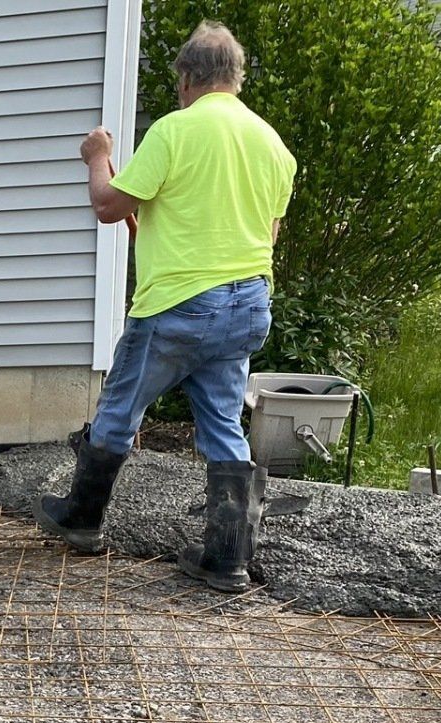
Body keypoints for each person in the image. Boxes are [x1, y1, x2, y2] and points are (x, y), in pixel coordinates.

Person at [38, 21, 297, 592]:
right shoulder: (274, 146)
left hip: (178, 307)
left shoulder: (175, 132)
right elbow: (258, 235)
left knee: (119, 409)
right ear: (236, 77)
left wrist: (97, 156)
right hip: (248, 303)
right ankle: (227, 558)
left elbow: (107, 205)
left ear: (187, 78)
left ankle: (82, 520)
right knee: (225, 425)